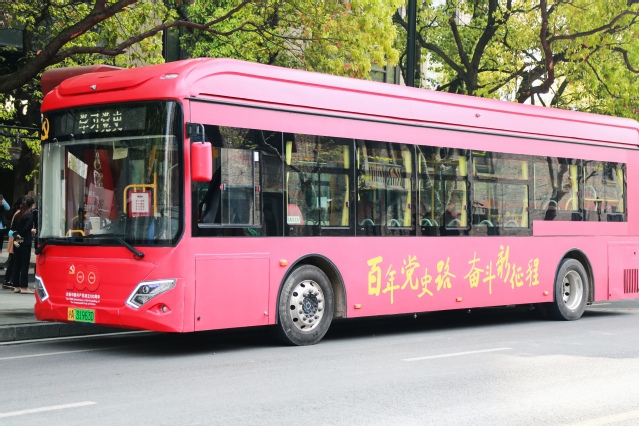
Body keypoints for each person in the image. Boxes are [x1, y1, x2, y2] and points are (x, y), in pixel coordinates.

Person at [10, 196, 35, 294]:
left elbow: (12, 228)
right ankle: (24, 286)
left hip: (16, 241)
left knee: (16, 262)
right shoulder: (29, 215)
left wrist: (17, 234)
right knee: (24, 264)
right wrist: (27, 232)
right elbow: (27, 227)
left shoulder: (17, 215)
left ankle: (16, 285)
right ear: (31, 205)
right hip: (25, 241)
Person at [2, 197, 22, 289]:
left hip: (13, 239)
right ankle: (9, 280)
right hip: (15, 239)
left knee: (13, 260)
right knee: (14, 260)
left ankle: (7, 280)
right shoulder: (19, 214)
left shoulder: (17, 213)